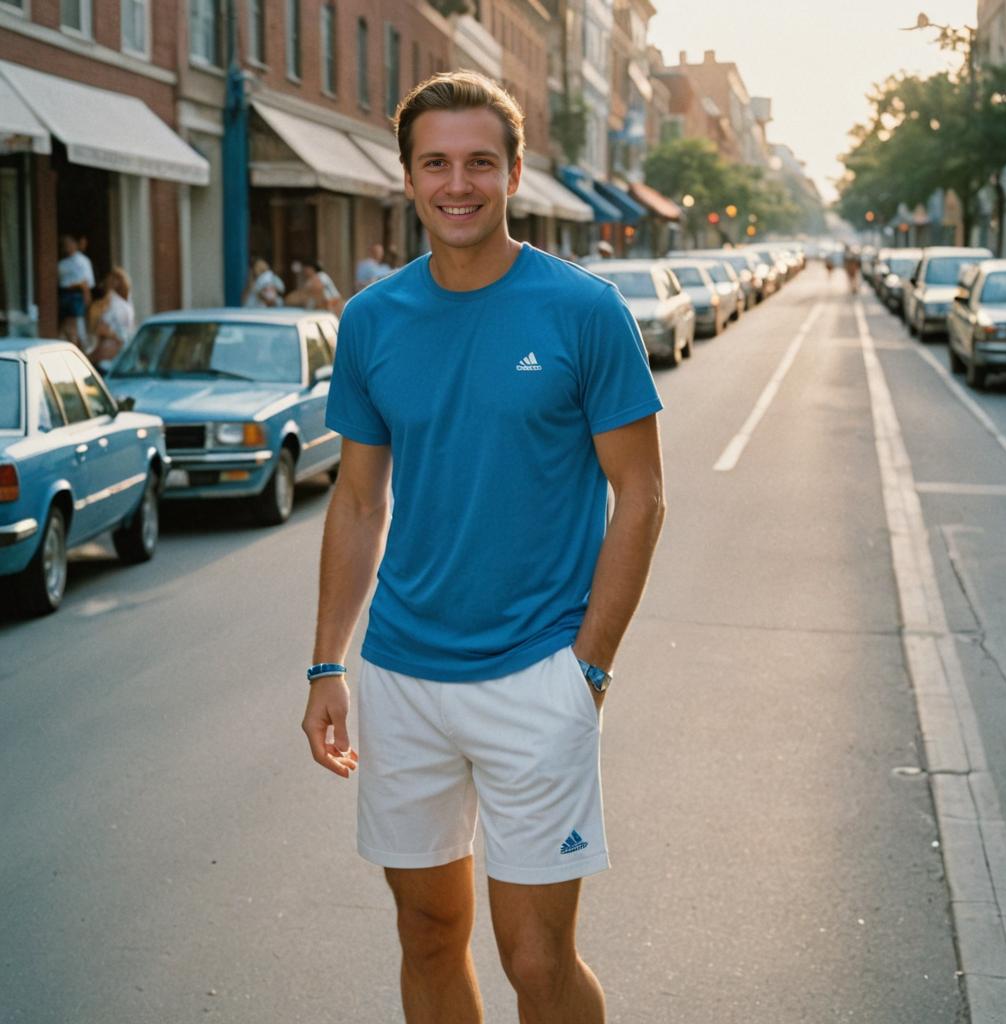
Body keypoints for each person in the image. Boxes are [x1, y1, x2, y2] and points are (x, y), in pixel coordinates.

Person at [301, 70, 665, 1023]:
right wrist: (325, 663)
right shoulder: (373, 319)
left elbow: (642, 495)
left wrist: (587, 670)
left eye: (478, 163)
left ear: (512, 174)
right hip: (402, 679)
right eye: (436, 163)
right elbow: (355, 500)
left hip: (538, 675)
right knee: (424, 934)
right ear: (408, 176)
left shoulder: (584, 311)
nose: (456, 184)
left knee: (537, 960)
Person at [57, 234, 95, 348]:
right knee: (66, 326)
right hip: (65, 296)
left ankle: (83, 349)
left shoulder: (83, 261)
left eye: (69, 244)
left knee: (80, 326)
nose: (67, 247)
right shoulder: (61, 264)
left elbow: (87, 283)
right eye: (65, 245)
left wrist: (86, 297)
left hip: (79, 296)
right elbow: (62, 283)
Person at [91, 267, 134, 363]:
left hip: (114, 351)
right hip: (119, 350)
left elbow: (101, 328)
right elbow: (101, 328)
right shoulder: (123, 302)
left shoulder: (116, 301)